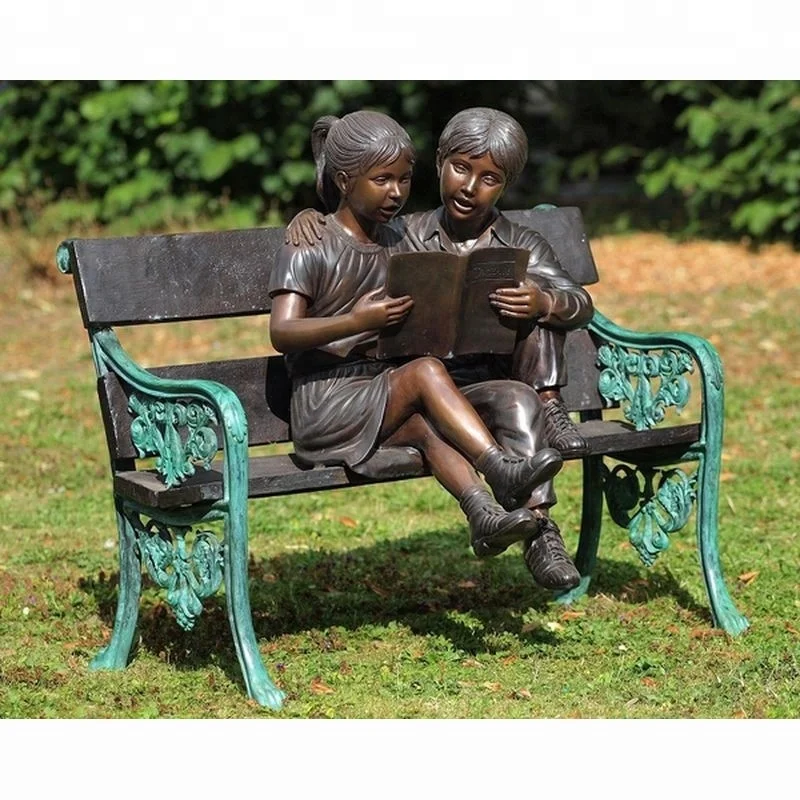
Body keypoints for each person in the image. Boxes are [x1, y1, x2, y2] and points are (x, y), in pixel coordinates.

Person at [285, 108, 593, 592]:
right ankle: (506, 489)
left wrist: (544, 302)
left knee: (521, 396)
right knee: (437, 384)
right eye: (460, 169)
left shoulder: (521, 242)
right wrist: (310, 214)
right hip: (413, 385)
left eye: (489, 178)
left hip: (479, 385)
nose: (469, 187)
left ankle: (538, 529)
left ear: (506, 185)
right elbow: (350, 219)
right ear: (440, 164)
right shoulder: (403, 232)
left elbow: (579, 303)